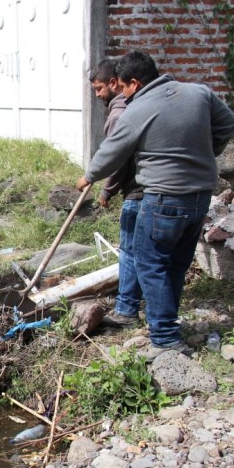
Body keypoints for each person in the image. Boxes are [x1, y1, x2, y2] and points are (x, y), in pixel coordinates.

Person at [77, 51, 234, 359]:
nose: (123, 94)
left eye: (123, 87)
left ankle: (165, 337)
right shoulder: (199, 92)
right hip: (199, 196)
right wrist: (206, 151)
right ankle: (167, 325)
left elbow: (113, 151)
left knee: (151, 264)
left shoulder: (138, 109)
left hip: (163, 198)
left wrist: (88, 177)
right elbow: (229, 125)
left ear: (135, 83)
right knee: (175, 264)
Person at [89, 59, 144, 328]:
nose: (98, 95)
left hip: (138, 194)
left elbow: (117, 159)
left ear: (114, 84)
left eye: (99, 88)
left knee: (130, 252)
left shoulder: (119, 115)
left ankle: (126, 309)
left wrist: (106, 190)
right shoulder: (140, 107)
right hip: (159, 192)